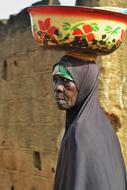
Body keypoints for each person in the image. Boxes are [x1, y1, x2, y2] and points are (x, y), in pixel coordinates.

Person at [52, 54, 127, 190]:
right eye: (55, 80)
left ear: (85, 84)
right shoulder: (103, 127)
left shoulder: (80, 132)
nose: (57, 87)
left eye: (65, 80)